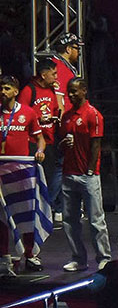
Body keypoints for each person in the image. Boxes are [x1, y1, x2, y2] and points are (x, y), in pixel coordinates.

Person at [60, 77, 111, 272]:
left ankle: (104, 258)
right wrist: (62, 145)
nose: (71, 94)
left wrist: (90, 171)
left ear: (84, 90)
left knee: (96, 220)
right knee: (69, 220)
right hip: (68, 173)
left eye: (74, 91)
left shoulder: (93, 115)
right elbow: (61, 144)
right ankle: (78, 259)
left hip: (88, 176)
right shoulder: (66, 116)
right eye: (69, 91)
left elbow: (96, 145)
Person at [0, 75, 45, 274]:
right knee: (2, 216)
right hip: (1, 172)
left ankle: (29, 254)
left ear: (16, 91)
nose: (3, 91)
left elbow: (40, 139)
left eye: (7, 88)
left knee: (26, 214)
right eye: (1, 88)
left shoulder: (28, 112)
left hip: (22, 173)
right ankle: (4, 256)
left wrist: (40, 151)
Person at [18, 60, 64, 224]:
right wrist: (38, 119)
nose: (56, 77)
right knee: (33, 178)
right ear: (44, 75)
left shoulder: (52, 90)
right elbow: (21, 115)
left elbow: (55, 109)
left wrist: (55, 118)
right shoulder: (29, 90)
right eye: (53, 74)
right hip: (33, 141)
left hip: (49, 140)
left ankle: (46, 209)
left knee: (50, 176)